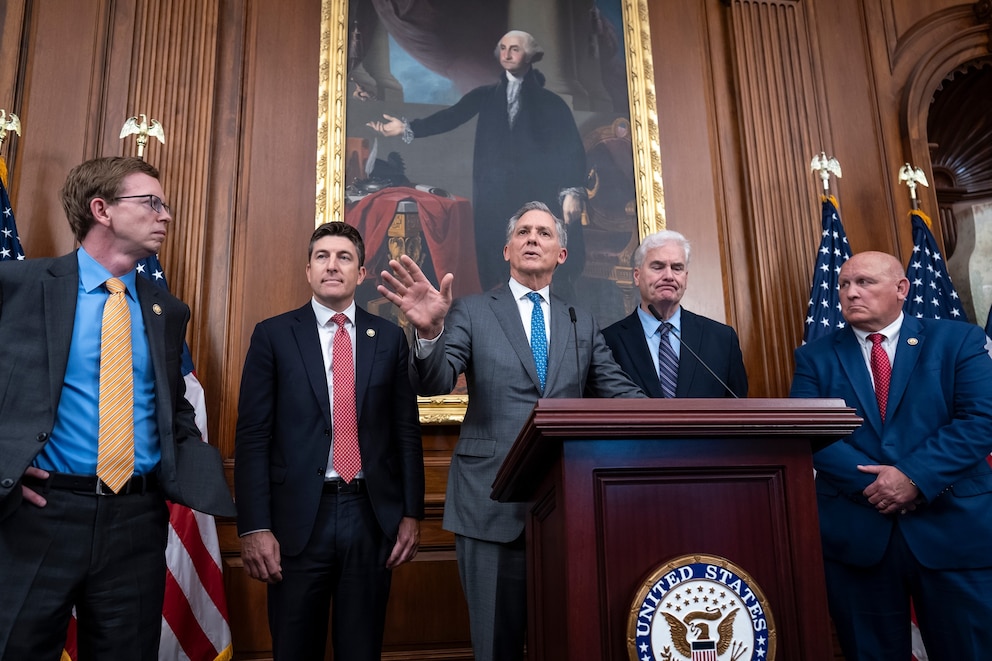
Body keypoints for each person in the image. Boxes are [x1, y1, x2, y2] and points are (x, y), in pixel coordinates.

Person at [377, 200, 643, 661]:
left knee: (567, 640)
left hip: (567, 506)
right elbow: (435, 381)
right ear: (506, 250)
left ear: (562, 253)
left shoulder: (580, 320)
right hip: (488, 502)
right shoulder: (472, 312)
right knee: (496, 646)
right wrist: (428, 333)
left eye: (543, 232)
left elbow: (620, 394)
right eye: (523, 232)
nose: (533, 238)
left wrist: (679, 420)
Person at [0, 156, 235, 660]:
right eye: (151, 202)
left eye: (165, 205)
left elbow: (174, 412)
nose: (165, 215)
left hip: (136, 521)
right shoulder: (17, 287)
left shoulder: (167, 310)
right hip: (40, 515)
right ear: (101, 209)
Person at [234, 222, 424, 660]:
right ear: (308, 270)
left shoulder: (389, 337)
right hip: (298, 519)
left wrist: (413, 513)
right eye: (322, 256)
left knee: (361, 648)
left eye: (344, 257)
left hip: (370, 516)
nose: (332, 265)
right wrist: (255, 525)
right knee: (295, 648)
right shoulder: (274, 335)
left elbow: (405, 433)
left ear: (361, 273)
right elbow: (253, 438)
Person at [790, 250, 992, 658]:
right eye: (844, 284)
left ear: (901, 289)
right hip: (859, 537)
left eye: (864, 282)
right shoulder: (814, 356)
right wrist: (880, 486)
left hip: (952, 530)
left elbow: (981, 420)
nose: (850, 293)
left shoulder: (959, 340)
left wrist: (913, 477)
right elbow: (810, 434)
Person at [367, 30, 587, 294]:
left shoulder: (552, 103)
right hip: (495, 196)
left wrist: (572, 190)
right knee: (496, 260)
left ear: (530, 55)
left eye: (514, 49)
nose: (506, 54)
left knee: (536, 261)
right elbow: (451, 116)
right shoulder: (486, 95)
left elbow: (570, 147)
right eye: (503, 48)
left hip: (536, 194)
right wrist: (405, 128)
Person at [602, 229, 748, 398]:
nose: (669, 276)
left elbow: (739, 410)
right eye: (658, 267)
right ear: (637, 276)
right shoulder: (609, 342)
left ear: (685, 278)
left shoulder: (721, 339)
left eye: (677, 268)